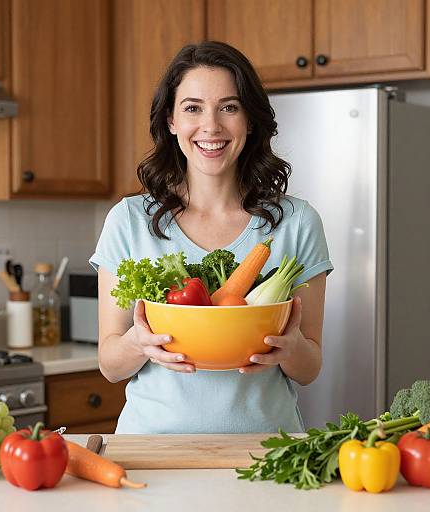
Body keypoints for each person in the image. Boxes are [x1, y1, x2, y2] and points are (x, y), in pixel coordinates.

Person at [89, 41, 333, 434]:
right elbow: (110, 365)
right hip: (154, 452)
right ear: (171, 121)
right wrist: (139, 344)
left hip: (266, 450)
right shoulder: (129, 220)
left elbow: (309, 369)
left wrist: (292, 348)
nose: (211, 126)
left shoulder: (297, 222)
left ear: (250, 120)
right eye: (192, 108)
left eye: (229, 107)